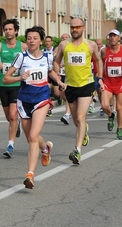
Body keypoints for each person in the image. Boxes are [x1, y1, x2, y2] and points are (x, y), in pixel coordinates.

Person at [3, 26, 66, 189]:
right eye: (29, 38)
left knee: (32, 136)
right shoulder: (21, 57)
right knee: (31, 137)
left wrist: (58, 81)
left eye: (35, 38)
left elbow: (50, 71)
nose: (31, 40)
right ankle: (46, 148)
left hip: (42, 98)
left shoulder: (47, 56)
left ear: (40, 41)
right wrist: (20, 77)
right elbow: (6, 79)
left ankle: (30, 175)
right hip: (24, 100)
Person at [54, 18, 104, 165]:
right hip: (70, 86)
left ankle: (77, 151)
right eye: (72, 27)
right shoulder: (64, 45)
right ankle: (84, 131)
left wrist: (99, 78)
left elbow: (99, 60)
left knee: (81, 116)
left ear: (83, 27)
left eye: (77, 27)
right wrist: (58, 77)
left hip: (86, 85)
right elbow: (56, 62)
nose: (74, 29)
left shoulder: (90, 45)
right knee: (76, 119)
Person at [0, 18, 28, 158]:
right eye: (5, 29)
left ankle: (10, 145)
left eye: (10, 29)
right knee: (8, 116)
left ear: (16, 31)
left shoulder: (23, 47)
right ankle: (15, 125)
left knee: (12, 115)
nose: (8, 32)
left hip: (17, 85)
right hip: (3, 84)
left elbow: (29, 60)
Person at [100, 29, 122, 139]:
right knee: (104, 105)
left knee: (119, 107)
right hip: (108, 82)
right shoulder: (104, 51)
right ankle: (110, 115)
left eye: (115, 36)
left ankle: (119, 128)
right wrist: (99, 78)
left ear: (119, 38)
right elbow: (99, 64)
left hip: (120, 83)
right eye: (111, 36)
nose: (112, 38)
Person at [54, 33, 72, 125]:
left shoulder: (72, 47)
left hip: (69, 75)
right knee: (61, 94)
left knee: (68, 94)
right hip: (61, 74)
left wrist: (65, 63)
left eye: (66, 38)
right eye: (62, 38)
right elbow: (54, 58)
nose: (64, 39)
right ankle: (72, 106)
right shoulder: (58, 48)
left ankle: (67, 114)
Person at [42, 36, 56, 117]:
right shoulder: (42, 51)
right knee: (47, 89)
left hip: (54, 72)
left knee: (57, 92)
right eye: (46, 41)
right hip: (46, 73)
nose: (47, 43)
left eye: (49, 41)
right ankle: (49, 108)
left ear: (52, 42)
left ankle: (60, 98)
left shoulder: (55, 50)